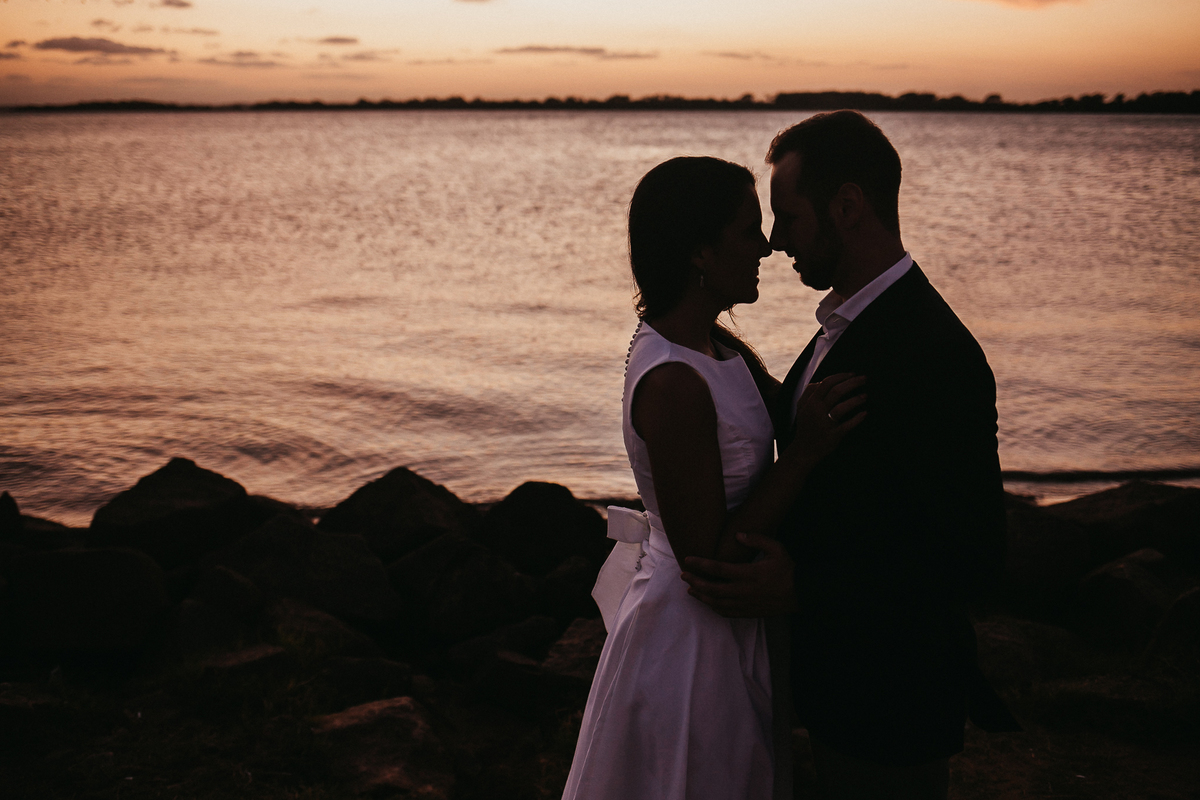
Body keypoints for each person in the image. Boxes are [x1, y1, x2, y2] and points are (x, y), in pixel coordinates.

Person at [682, 110, 1011, 799]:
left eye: (789, 217)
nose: (774, 242)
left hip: (894, 697)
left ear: (848, 206)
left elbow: (972, 556)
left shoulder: (936, 353)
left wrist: (803, 588)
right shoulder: (841, 327)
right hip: (836, 684)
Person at [561, 156, 866, 800]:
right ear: (701, 249)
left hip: (729, 632)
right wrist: (804, 456)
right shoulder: (673, 380)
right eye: (749, 228)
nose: (765, 246)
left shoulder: (720, 348)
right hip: (692, 642)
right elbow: (707, 560)